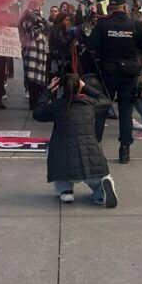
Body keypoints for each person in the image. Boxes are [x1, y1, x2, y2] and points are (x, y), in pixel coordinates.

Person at [87, 0, 142, 165]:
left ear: (111, 8)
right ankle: (125, 150)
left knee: (101, 109)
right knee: (126, 113)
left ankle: (95, 148)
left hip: (107, 73)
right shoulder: (134, 25)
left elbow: (91, 46)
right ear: (124, 7)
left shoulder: (103, 24)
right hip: (129, 74)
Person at [32, 72, 118, 208]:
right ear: (79, 87)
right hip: (91, 157)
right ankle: (101, 189)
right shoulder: (89, 104)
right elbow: (106, 101)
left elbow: (37, 113)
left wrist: (48, 92)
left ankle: (66, 191)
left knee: (53, 151)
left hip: (64, 160)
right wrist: (86, 87)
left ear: (62, 88)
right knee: (97, 180)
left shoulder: (58, 106)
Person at [19, 3, 50, 110]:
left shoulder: (42, 22)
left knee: (41, 80)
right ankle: (33, 103)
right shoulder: (26, 22)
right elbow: (29, 28)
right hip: (31, 54)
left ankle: (40, 103)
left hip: (41, 54)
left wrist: (39, 19)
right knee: (32, 80)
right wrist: (32, 16)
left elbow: (46, 26)